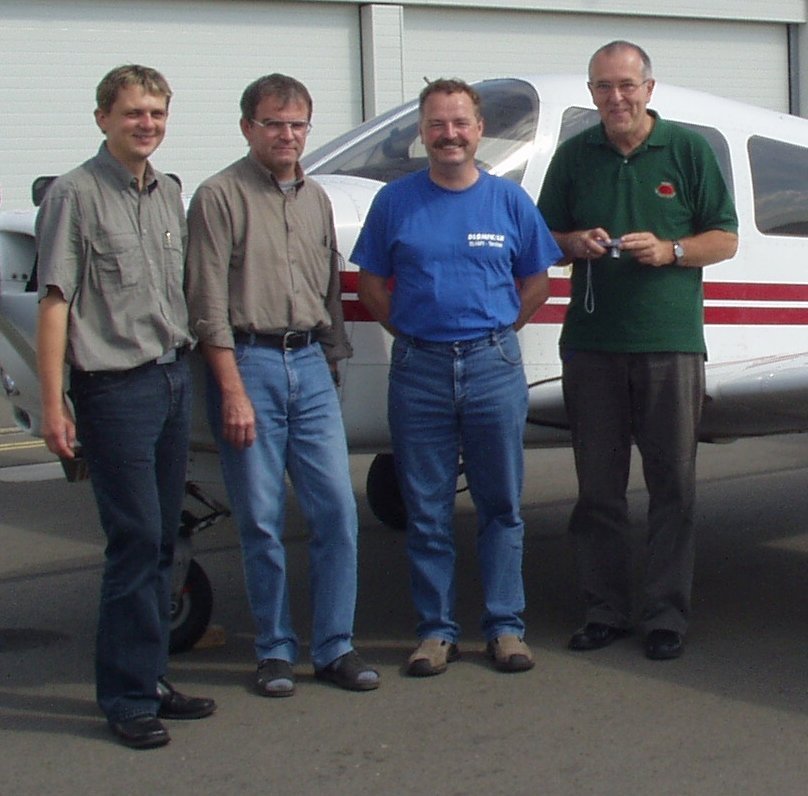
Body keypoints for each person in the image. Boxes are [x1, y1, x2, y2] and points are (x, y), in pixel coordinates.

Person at [352, 78, 561, 677]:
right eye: (437, 124)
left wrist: (495, 331)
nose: (450, 134)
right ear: (423, 132)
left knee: (501, 505)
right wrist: (416, 335)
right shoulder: (394, 202)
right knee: (426, 509)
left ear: (479, 130)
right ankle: (435, 632)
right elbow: (371, 285)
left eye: (460, 123)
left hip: (494, 367)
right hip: (419, 369)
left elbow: (537, 282)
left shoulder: (509, 201)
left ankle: (505, 627)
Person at [537, 41, 739, 660]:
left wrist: (672, 251)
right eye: (603, 86)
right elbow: (542, 239)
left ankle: (664, 616)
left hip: (669, 345)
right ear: (592, 93)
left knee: (672, 486)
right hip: (592, 345)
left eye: (626, 85)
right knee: (598, 489)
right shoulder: (574, 156)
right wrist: (575, 241)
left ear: (649, 89)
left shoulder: (688, 149)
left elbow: (725, 238)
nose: (616, 97)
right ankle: (604, 611)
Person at [35, 65, 216, 749]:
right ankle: (125, 697)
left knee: (162, 536)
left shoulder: (167, 193)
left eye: (157, 114)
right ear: (103, 118)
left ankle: (150, 677)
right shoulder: (73, 196)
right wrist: (54, 404)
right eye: (134, 112)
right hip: (114, 391)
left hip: (171, 380)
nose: (147, 124)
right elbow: (56, 303)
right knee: (134, 541)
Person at [185, 73, 378, 696]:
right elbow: (207, 304)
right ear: (249, 127)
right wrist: (231, 390)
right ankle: (273, 649)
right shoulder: (218, 197)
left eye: (297, 125)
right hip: (250, 365)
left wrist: (333, 362)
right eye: (274, 123)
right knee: (262, 520)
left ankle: (335, 646)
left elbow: (328, 291)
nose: (287, 135)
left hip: (311, 364)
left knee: (337, 512)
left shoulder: (317, 199)